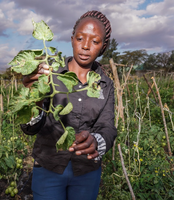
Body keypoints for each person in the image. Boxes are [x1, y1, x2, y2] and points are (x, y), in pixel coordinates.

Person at [20, 10, 117, 200]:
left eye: (95, 41)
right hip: (48, 166)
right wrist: (35, 97)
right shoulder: (50, 75)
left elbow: (108, 126)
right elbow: (30, 129)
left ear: (103, 46)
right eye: (80, 38)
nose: (86, 46)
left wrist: (96, 140)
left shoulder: (105, 84)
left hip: (87, 170)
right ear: (72, 39)